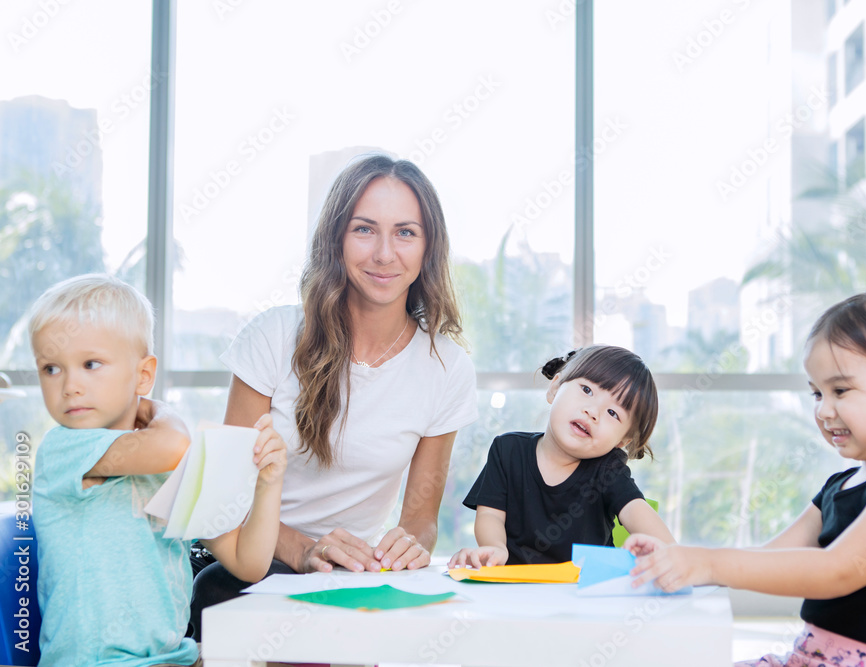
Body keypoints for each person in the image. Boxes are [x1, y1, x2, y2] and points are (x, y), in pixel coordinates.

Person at [190, 154, 478, 636]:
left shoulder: (447, 368)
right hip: (242, 565)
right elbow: (222, 497)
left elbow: (420, 519)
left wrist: (409, 545)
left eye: (405, 232)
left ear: (428, 248)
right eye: (364, 229)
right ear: (335, 240)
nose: (385, 254)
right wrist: (302, 549)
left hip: (341, 582)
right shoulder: (274, 337)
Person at [627, 288, 866, 667]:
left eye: (840, 390)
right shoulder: (841, 485)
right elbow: (769, 558)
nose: (824, 410)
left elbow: (838, 570)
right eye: (816, 393)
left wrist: (709, 563)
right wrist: (679, 561)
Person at [29, 274, 286, 667]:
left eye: (90, 364)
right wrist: (158, 410)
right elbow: (170, 445)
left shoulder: (167, 465)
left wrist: (269, 483)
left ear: (143, 374)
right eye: (51, 368)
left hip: (173, 658)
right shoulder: (64, 449)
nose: (69, 386)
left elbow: (246, 562)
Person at [449, 345, 675, 567]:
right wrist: (496, 548)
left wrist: (675, 555)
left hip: (584, 593)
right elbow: (491, 516)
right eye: (587, 390)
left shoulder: (608, 470)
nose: (593, 412)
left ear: (621, 442)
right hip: (515, 590)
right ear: (555, 388)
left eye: (613, 413)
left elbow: (637, 511)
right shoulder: (507, 450)